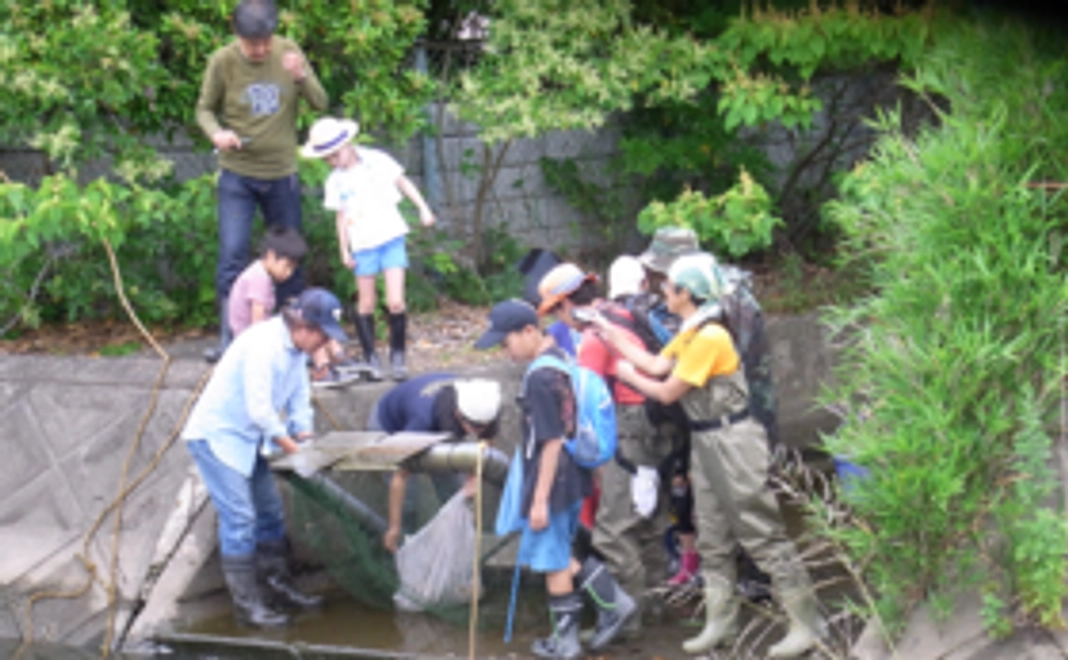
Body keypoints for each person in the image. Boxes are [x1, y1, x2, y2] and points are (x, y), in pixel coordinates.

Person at [592, 254, 823, 658]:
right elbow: (655, 362)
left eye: (670, 285)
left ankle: (806, 622)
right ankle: (721, 622)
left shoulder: (711, 337)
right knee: (712, 534)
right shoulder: (691, 329)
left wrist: (623, 374)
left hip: (733, 441)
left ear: (687, 293)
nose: (663, 289)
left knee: (760, 529)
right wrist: (608, 333)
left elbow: (665, 390)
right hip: (705, 440)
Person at [474, 299, 632, 660]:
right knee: (560, 550)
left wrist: (540, 499)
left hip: (554, 482)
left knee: (552, 561)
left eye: (507, 341)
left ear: (530, 331)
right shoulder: (560, 358)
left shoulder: (542, 378)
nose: (505, 350)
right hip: (570, 477)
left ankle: (566, 643)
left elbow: (551, 442)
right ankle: (615, 603)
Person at [181, 287, 347, 629]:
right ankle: (248, 607)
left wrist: (305, 434)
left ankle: (278, 589)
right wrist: (295, 451)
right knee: (240, 518)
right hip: (218, 436)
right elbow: (260, 410)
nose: (324, 345)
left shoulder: (299, 352)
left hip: (251, 441)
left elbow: (300, 396)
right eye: (323, 336)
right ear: (303, 326)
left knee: (270, 512)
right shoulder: (264, 345)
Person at [536, 262, 666, 641]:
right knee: (650, 521)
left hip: (628, 430)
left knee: (613, 531)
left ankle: (629, 621)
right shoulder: (620, 313)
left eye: (554, 311)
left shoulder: (593, 338)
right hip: (657, 426)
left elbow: (582, 402)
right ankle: (656, 608)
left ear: (565, 306)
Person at [196, 0, 328, 362]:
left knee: (290, 258)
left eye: (266, 41)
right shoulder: (222, 61)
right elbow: (204, 109)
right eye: (254, 44)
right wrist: (216, 133)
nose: (262, 49)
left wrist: (301, 75)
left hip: (281, 174)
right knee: (232, 255)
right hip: (237, 175)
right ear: (237, 35)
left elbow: (320, 102)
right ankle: (230, 342)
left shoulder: (288, 52)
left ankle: (292, 341)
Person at [301, 116, 437, 382]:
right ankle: (371, 358)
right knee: (366, 303)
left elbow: (403, 182)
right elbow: (340, 216)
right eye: (326, 158)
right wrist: (344, 249)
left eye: (334, 154)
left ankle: (398, 356)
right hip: (362, 244)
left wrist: (423, 208)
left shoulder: (377, 160)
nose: (332, 161)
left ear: (347, 143)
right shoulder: (335, 181)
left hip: (391, 236)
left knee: (395, 301)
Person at [369, 373, 503, 553]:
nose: (478, 431)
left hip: (439, 429)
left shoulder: (484, 403)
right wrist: (394, 527)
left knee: (455, 492)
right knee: (409, 502)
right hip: (390, 427)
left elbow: (485, 444)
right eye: (473, 427)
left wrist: (473, 478)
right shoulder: (422, 420)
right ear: (458, 414)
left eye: (483, 426)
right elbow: (400, 477)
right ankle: (404, 550)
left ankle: (457, 552)